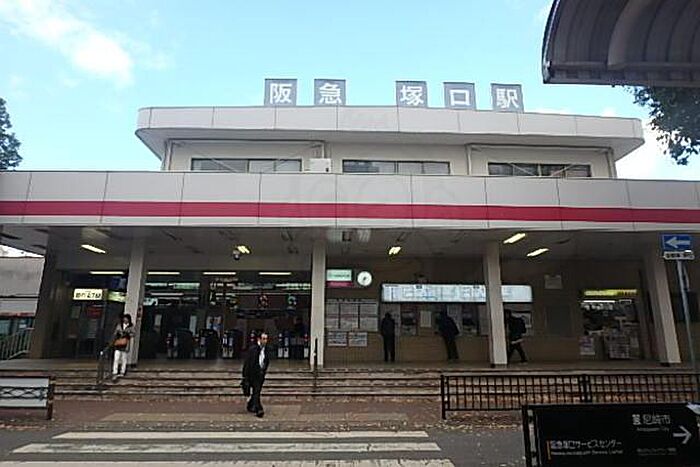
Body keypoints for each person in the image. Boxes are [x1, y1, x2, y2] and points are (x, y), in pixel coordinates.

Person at [242, 332, 270, 418]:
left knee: (256, 392)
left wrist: (263, 370)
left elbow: (266, 361)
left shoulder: (266, 350)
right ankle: (259, 409)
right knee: (256, 392)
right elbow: (247, 363)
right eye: (263, 339)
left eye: (266, 339)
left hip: (260, 375)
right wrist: (245, 376)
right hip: (252, 374)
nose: (265, 341)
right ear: (259, 339)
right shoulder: (253, 349)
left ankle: (251, 404)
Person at [112, 313, 134, 382]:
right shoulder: (119, 325)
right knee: (116, 358)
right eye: (124, 318)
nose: (125, 319)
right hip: (118, 343)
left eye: (126, 318)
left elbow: (133, 334)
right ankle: (115, 372)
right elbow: (115, 333)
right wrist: (118, 334)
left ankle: (122, 371)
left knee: (124, 358)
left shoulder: (131, 326)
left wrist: (127, 334)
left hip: (125, 344)